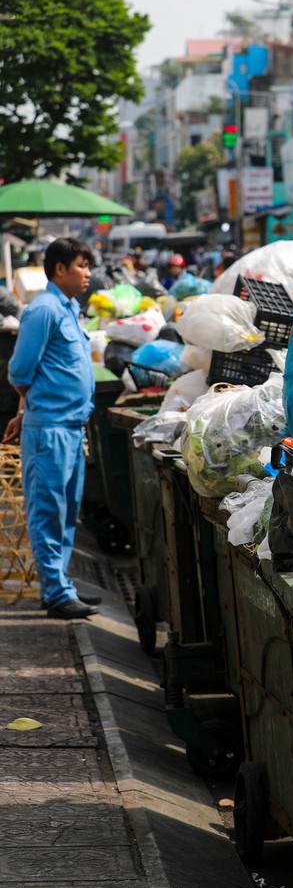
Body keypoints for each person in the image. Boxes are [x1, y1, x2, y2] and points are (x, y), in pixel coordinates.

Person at [2, 238, 101, 619]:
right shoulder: (43, 310)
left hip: (70, 427)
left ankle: (59, 586)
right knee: (48, 511)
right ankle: (57, 594)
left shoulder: (69, 308)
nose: (88, 273)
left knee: (66, 512)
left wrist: (25, 409)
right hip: (50, 430)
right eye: (81, 265)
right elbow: (19, 371)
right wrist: (35, 408)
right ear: (60, 269)